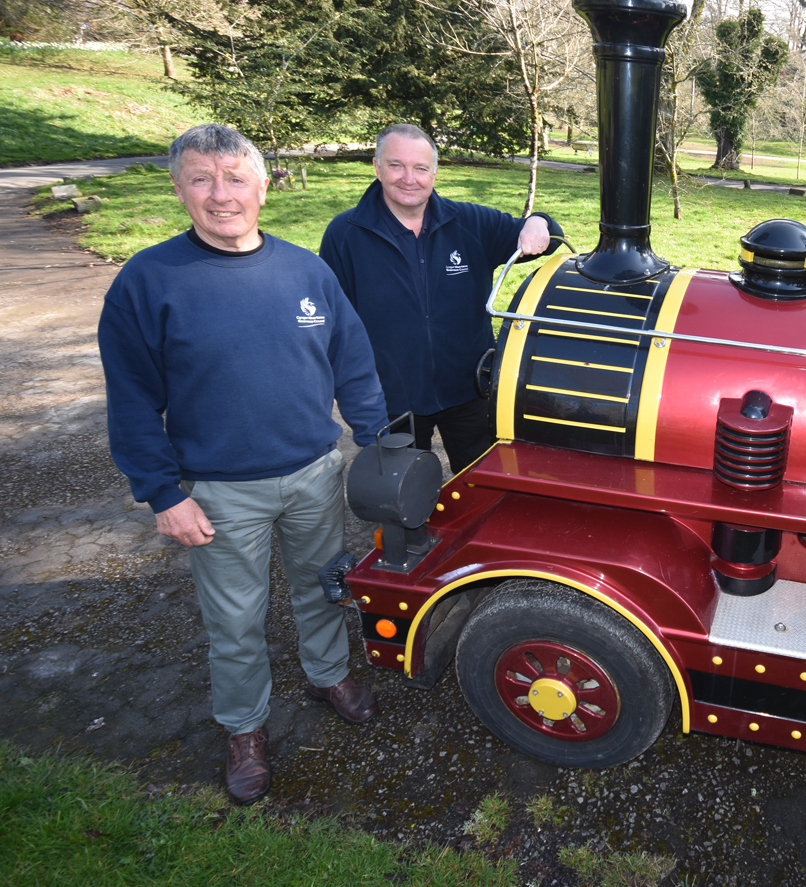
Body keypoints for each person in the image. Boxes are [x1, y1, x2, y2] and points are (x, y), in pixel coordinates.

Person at [97, 124, 388, 806]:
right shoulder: (147, 282)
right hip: (220, 490)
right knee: (234, 619)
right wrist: (163, 494)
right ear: (179, 189)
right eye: (201, 178)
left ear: (264, 187)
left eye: (234, 177)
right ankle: (243, 727)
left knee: (324, 586)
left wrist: (377, 440)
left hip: (314, 473)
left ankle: (328, 675)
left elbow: (353, 359)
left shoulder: (305, 270)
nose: (219, 194)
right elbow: (132, 400)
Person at [319, 123, 554, 472]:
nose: (408, 178)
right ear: (377, 166)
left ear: (435, 172)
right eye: (396, 165)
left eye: (420, 168)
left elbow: (543, 234)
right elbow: (333, 324)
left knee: (480, 480)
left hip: (470, 386)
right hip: (392, 396)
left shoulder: (469, 223)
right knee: (403, 496)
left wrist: (538, 220)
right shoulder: (345, 234)